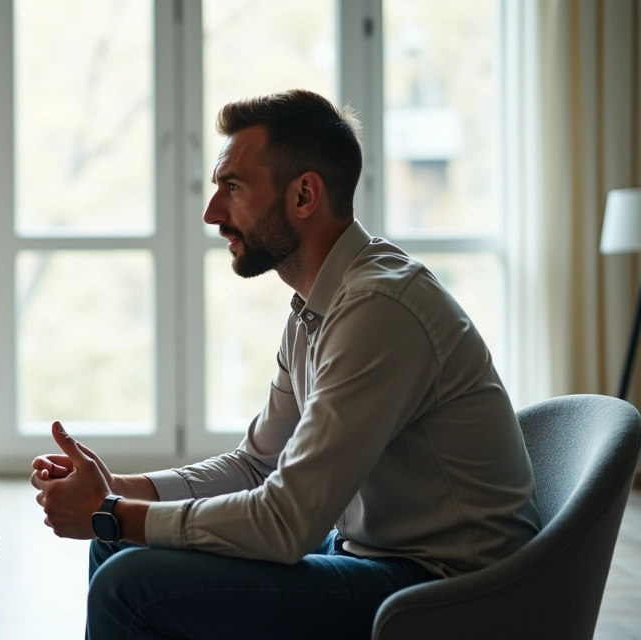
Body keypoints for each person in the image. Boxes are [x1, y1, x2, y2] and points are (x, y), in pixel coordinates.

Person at [30, 89, 541, 639]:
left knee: (130, 582)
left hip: (448, 594)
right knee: (117, 542)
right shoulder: (317, 308)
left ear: (304, 195)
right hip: (373, 555)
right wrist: (119, 491)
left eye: (233, 187)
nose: (211, 213)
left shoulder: (379, 309)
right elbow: (258, 464)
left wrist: (111, 510)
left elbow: (285, 523)